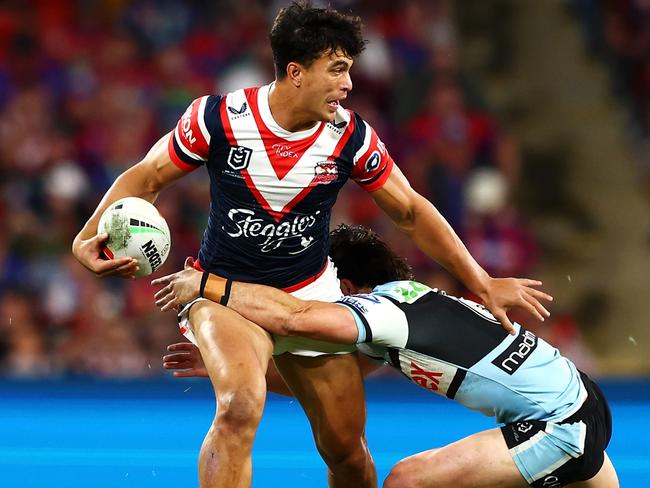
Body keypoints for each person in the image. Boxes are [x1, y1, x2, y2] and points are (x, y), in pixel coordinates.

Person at [72, 2, 552, 487]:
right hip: (221, 293)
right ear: (296, 72)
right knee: (240, 406)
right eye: (337, 70)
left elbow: (409, 210)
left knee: (347, 452)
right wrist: (86, 239)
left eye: (350, 70)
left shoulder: (350, 137)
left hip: (309, 297)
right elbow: (146, 177)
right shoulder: (217, 119)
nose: (348, 85)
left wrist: (482, 282)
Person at [154, 224, 618, 488]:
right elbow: (346, 365)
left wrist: (207, 285)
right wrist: (239, 362)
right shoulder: (410, 301)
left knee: (404, 482)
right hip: (582, 401)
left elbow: (294, 319)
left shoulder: (380, 311)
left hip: (559, 427)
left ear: (347, 287)